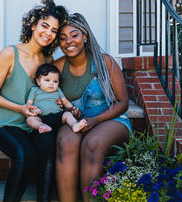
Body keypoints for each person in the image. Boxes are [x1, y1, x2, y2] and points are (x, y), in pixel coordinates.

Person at [0, 0, 68, 202]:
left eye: (54, 31)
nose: (48, 33)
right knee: (27, 155)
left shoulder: (48, 61)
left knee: (48, 143)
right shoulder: (9, 53)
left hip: (36, 125)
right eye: (45, 26)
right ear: (33, 25)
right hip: (9, 126)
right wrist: (20, 109)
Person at [53, 13, 132, 202]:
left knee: (92, 143)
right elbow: (49, 98)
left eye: (74, 35)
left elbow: (123, 102)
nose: (68, 42)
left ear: (85, 37)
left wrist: (95, 120)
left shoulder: (105, 61)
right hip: (76, 121)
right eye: (62, 38)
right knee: (66, 143)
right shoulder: (57, 66)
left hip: (110, 119)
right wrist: (65, 110)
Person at [25, 63, 87, 134]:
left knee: (67, 114)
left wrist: (72, 109)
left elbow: (65, 102)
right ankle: (42, 126)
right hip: (41, 117)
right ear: (38, 81)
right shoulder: (34, 90)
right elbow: (29, 103)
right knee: (30, 119)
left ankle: (74, 125)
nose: (51, 83)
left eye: (55, 81)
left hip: (57, 116)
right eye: (47, 80)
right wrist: (33, 109)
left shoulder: (58, 90)